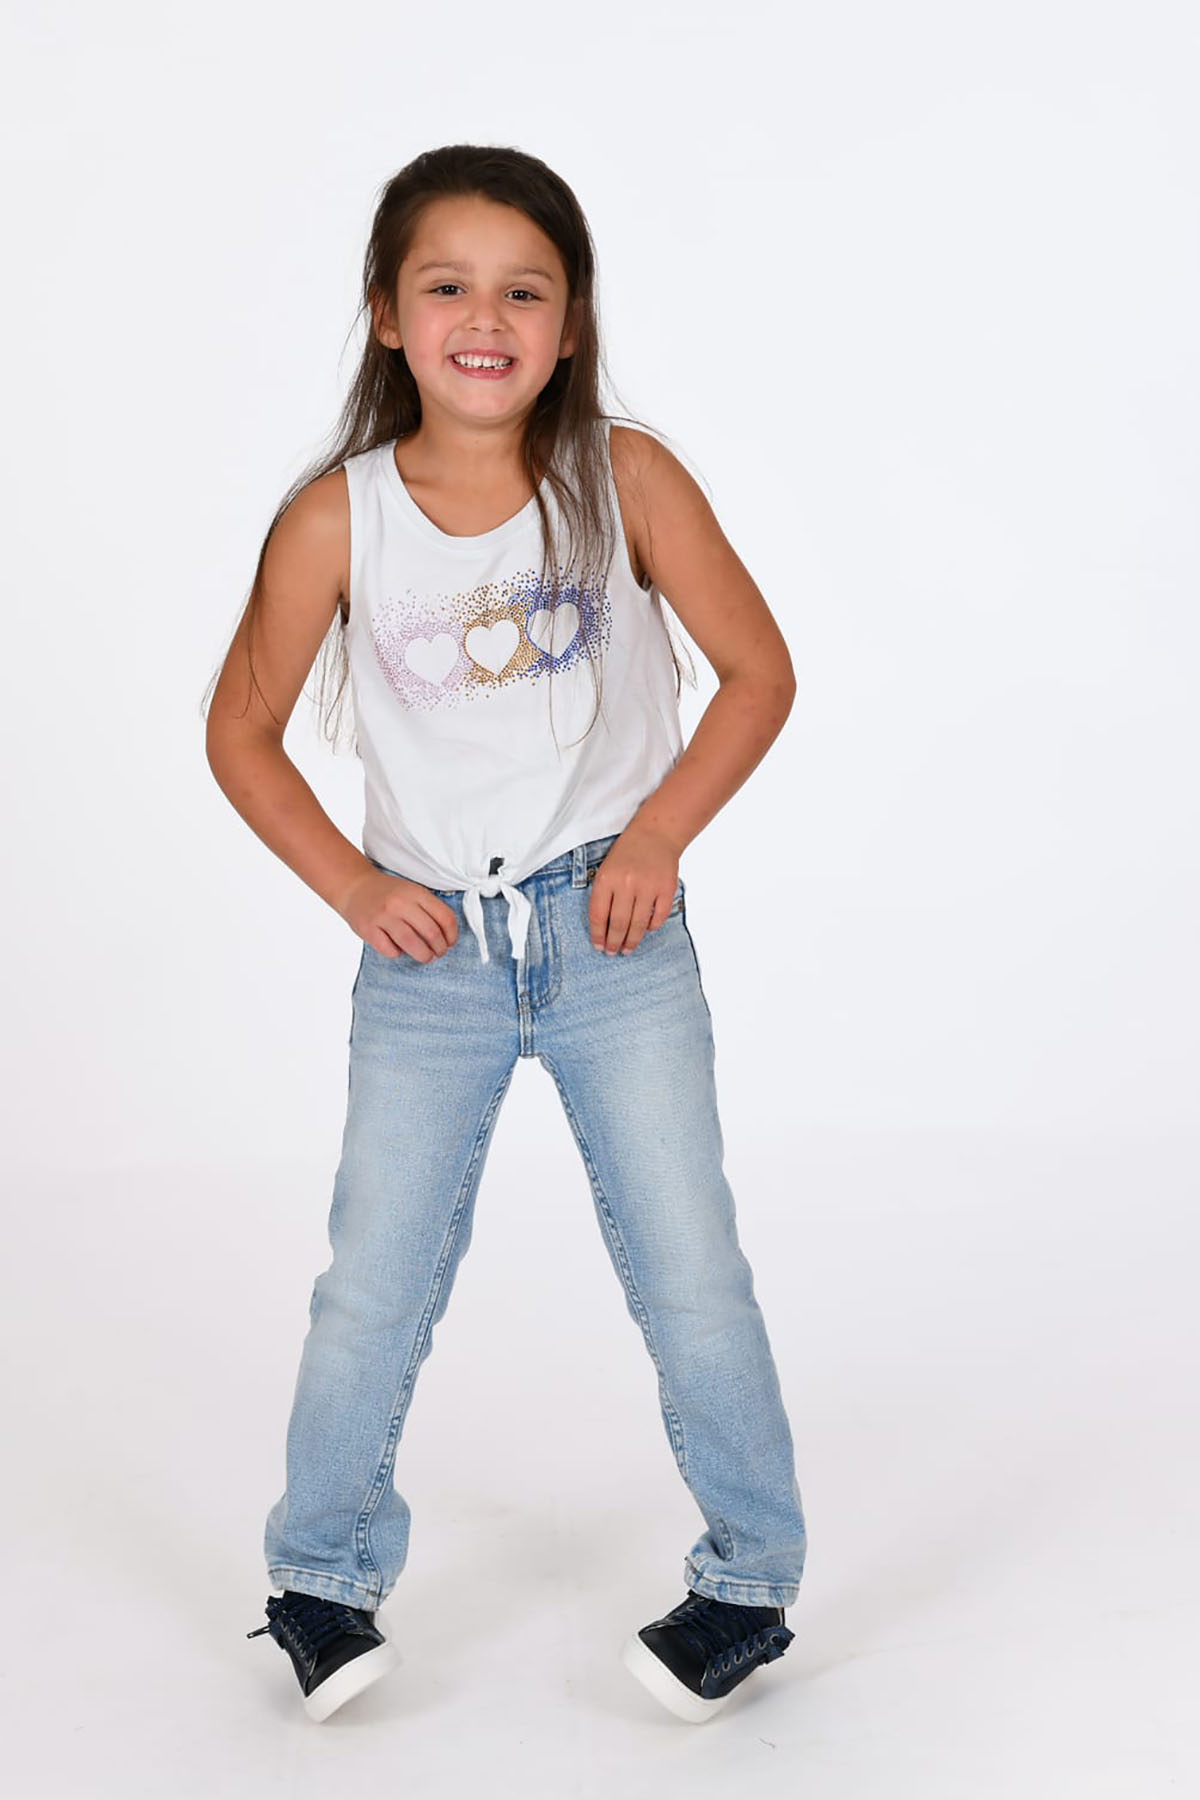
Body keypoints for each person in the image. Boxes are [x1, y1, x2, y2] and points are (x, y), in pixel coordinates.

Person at [205, 142, 808, 1726]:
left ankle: (749, 1581)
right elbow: (241, 732)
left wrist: (657, 838)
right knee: (373, 1283)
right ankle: (321, 1578)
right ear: (387, 315)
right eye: (448, 286)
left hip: (614, 935)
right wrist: (355, 888)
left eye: (524, 290)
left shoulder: (628, 480)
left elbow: (758, 675)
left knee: (690, 1269)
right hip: (432, 965)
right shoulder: (335, 521)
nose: (487, 319)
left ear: (571, 319)